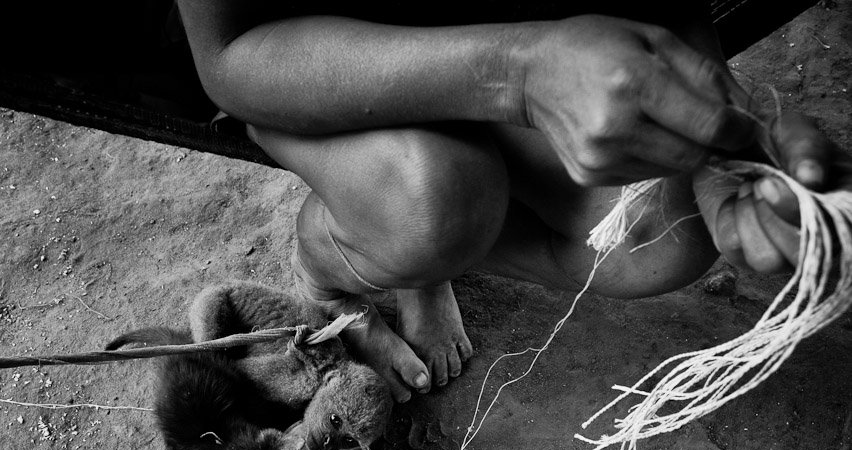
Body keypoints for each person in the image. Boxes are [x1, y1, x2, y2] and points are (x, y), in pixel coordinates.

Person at [176, 0, 849, 403]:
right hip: (318, 66)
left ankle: (429, 244)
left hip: (515, 24)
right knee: (430, 200)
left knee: (661, 239)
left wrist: (714, 127)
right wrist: (517, 75)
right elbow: (228, 54)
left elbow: (669, 6)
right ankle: (333, 273)